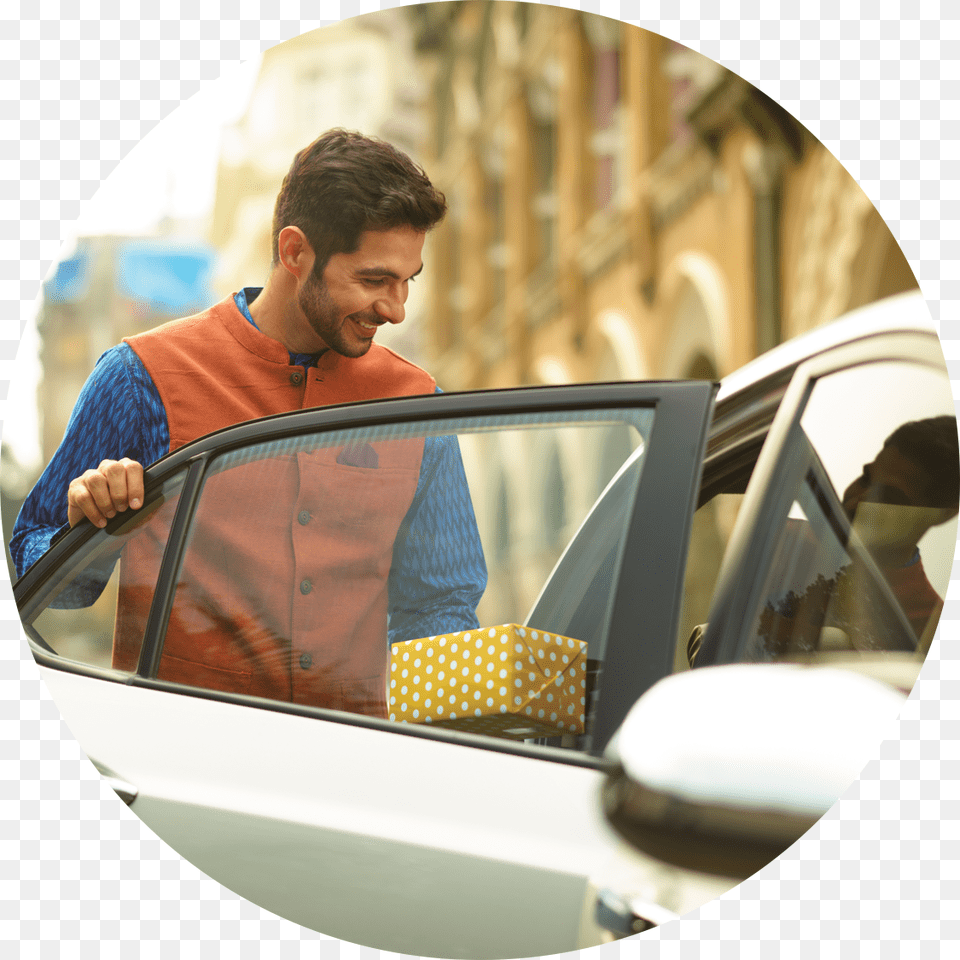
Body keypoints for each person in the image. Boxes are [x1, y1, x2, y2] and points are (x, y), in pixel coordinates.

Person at [12, 128, 487, 716]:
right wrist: (90, 532)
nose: (395, 309)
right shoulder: (140, 378)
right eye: (373, 281)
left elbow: (441, 604)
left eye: (406, 281)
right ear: (295, 252)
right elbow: (31, 567)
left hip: (359, 764)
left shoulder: (416, 404)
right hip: (182, 763)